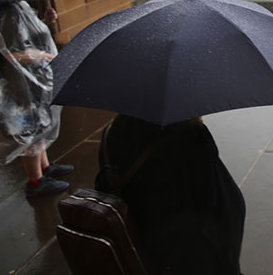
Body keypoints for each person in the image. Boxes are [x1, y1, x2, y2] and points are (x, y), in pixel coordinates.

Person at [95, 115, 245, 274]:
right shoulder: (191, 136)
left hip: (136, 244)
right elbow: (218, 201)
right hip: (181, 255)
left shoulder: (112, 132)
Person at [0, 1, 73, 197]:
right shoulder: (8, 14)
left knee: (40, 123)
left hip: (34, 78)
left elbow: (30, 39)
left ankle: (45, 167)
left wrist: (45, 20)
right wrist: (48, 56)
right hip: (23, 82)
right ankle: (35, 181)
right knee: (30, 128)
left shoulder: (20, 8)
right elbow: (15, 53)